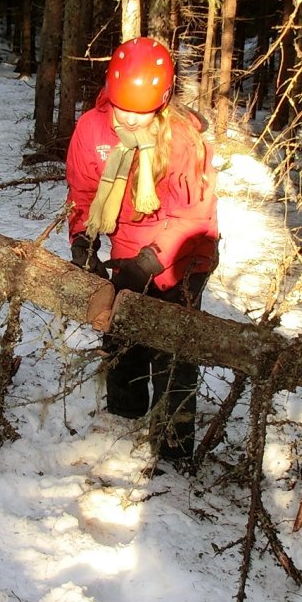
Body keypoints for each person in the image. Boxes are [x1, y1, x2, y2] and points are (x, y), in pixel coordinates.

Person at [66, 36, 220, 463]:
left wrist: (149, 263)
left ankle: (174, 441)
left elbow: (193, 217)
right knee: (123, 330)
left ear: (164, 101)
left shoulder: (185, 138)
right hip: (129, 250)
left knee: (173, 346)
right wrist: (82, 241)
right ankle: (124, 413)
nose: (130, 122)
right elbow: (82, 192)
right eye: (123, 111)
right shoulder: (92, 129)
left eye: (141, 114)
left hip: (186, 253)